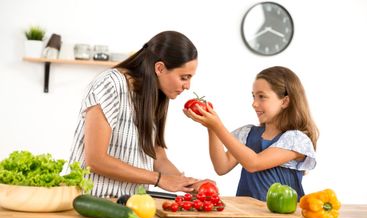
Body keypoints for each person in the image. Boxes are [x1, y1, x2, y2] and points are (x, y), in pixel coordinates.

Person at [64, 30, 206, 197]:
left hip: (132, 204)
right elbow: (95, 160)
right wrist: (158, 179)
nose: (188, 86)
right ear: (159, 68)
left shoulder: (154, 94)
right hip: (90, 201)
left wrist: (190, 184)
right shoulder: (110, 84)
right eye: (184, 77)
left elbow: (158, 158)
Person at [184, 66, 318, 201]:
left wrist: (217, 126)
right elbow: (221, 167)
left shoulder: (296, 140)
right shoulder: (248, 133)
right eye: (253, 96)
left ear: (284, 101)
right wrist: (211, 127)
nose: (254, 103)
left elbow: (254, 163)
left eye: (262, 97)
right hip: (247, 214)